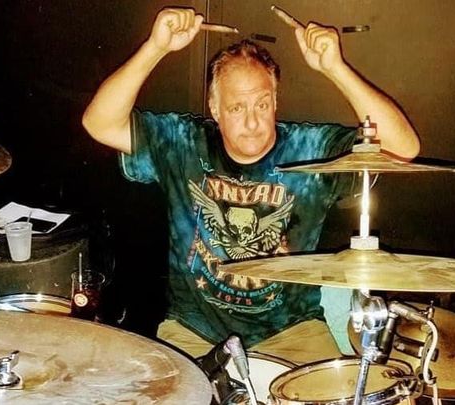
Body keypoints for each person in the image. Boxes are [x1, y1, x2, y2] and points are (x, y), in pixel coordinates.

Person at [83, 7, 419, 365]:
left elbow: (403, 148)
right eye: (237, 108)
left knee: (339, 390)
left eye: (262, 104)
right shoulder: (183, 143)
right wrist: (156, 47)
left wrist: (335, 67)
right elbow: (99, 123)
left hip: (292, 332)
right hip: (193, 332)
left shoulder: (310, 150)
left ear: (275, 101)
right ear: (215, 108)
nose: (253, 122)